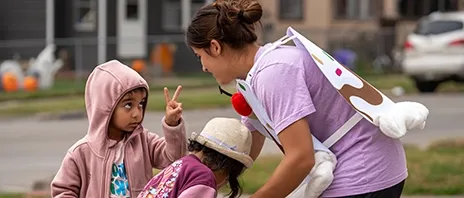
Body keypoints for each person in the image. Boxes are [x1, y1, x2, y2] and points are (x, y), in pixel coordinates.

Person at [185, 0, 407, 197]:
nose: (203, 67)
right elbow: (247, 146)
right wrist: (198, 178)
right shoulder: (255, 76)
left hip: (364, 174)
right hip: (368, 169)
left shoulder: (273, 73)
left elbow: (301, 158)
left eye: (200, 57)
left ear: (215, 47)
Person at [50, 60, 188, 198]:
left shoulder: (145, 141)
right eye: (128, 105)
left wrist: (172, 125)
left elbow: (175, 159)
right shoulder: (80, 153)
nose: (137, 113)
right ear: (105, 107)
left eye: (141, 104)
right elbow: (62, 191)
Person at [137, 117, 253, 198]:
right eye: (228, 177)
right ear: (225, 166)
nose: (224, 182)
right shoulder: (203, 178)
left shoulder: (180, 165)